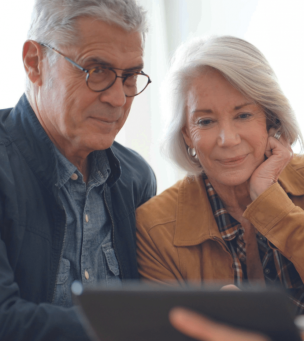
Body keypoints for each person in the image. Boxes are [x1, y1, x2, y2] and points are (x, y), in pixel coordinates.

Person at [0, 1, 258, 340]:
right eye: (97, 70)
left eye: (131, 77)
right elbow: (6, 322)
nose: (119, 99)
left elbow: (148, 300)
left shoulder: (135, 177)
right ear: (35, 63)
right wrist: (163, 320)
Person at [136, 35, 304, 317]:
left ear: (270, 119)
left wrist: (272, 203)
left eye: (244, 115)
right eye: (206, 121)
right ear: (187, 134)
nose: (228, 139)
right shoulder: (154, 226)